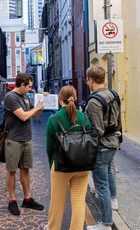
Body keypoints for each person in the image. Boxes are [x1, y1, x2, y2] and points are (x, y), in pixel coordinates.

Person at [44, 85, 91, 230]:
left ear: (59, 100)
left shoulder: (54, 118)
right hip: (83, 165)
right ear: (75, 99)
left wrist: (52, 164)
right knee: (78, 202)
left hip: (61, 166)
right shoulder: (83, 117)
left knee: (57, 203)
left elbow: (49, 146)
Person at [3, 72, 46, 215]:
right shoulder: (10, 97)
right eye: (28, 86)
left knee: (25, 169)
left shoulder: (26, 97)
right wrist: (35, 108)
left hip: (27, 138)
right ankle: (12, 201)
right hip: (14, 139)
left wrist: (41, 106)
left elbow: (34, 116)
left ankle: (27, 199)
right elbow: (23, 116)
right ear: (22, 85)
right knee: (11, 171)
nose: (30, 89)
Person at [85, 66, 122, 230]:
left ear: (91, 80)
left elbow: (97, 130)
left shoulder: (94, 102)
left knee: (101, 186)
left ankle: (106, 224)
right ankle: (114, 201)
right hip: (114, 141)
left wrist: (89, 147)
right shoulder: (113, 95)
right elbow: (119, 118)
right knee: (108, 172)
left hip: (102, 146)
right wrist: (120, 137)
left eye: (87, 81)